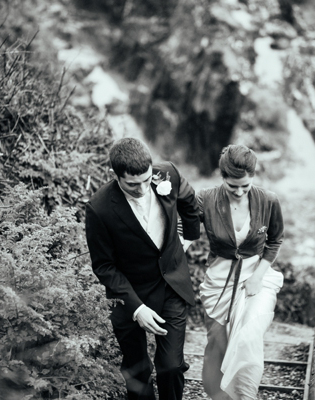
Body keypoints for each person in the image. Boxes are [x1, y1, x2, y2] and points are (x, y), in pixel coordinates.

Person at [85, 137, 200, 400]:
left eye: (147, 180)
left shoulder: (167, 173)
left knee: (171, 366)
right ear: (115, 176)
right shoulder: (99, 208)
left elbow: (190, 202)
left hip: (170, 284)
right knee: (137, 369)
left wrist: (189, 238)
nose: (142, 188)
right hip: (128, 293)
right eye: (132, 184)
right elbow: (104, 266)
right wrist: (136, 308)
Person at [197, 145, 284, 400]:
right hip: (219, 278)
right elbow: (183, 223)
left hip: (256, 276)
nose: (238, 191)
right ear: (222, 177)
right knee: (217, 343)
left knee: (248, 335)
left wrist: (258, 276)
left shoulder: (268, 200)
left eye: (245, 186)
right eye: (232, 185)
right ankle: (218, 395)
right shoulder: (206, 198)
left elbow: (275, 240)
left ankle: (245, 394)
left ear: (253, 177)